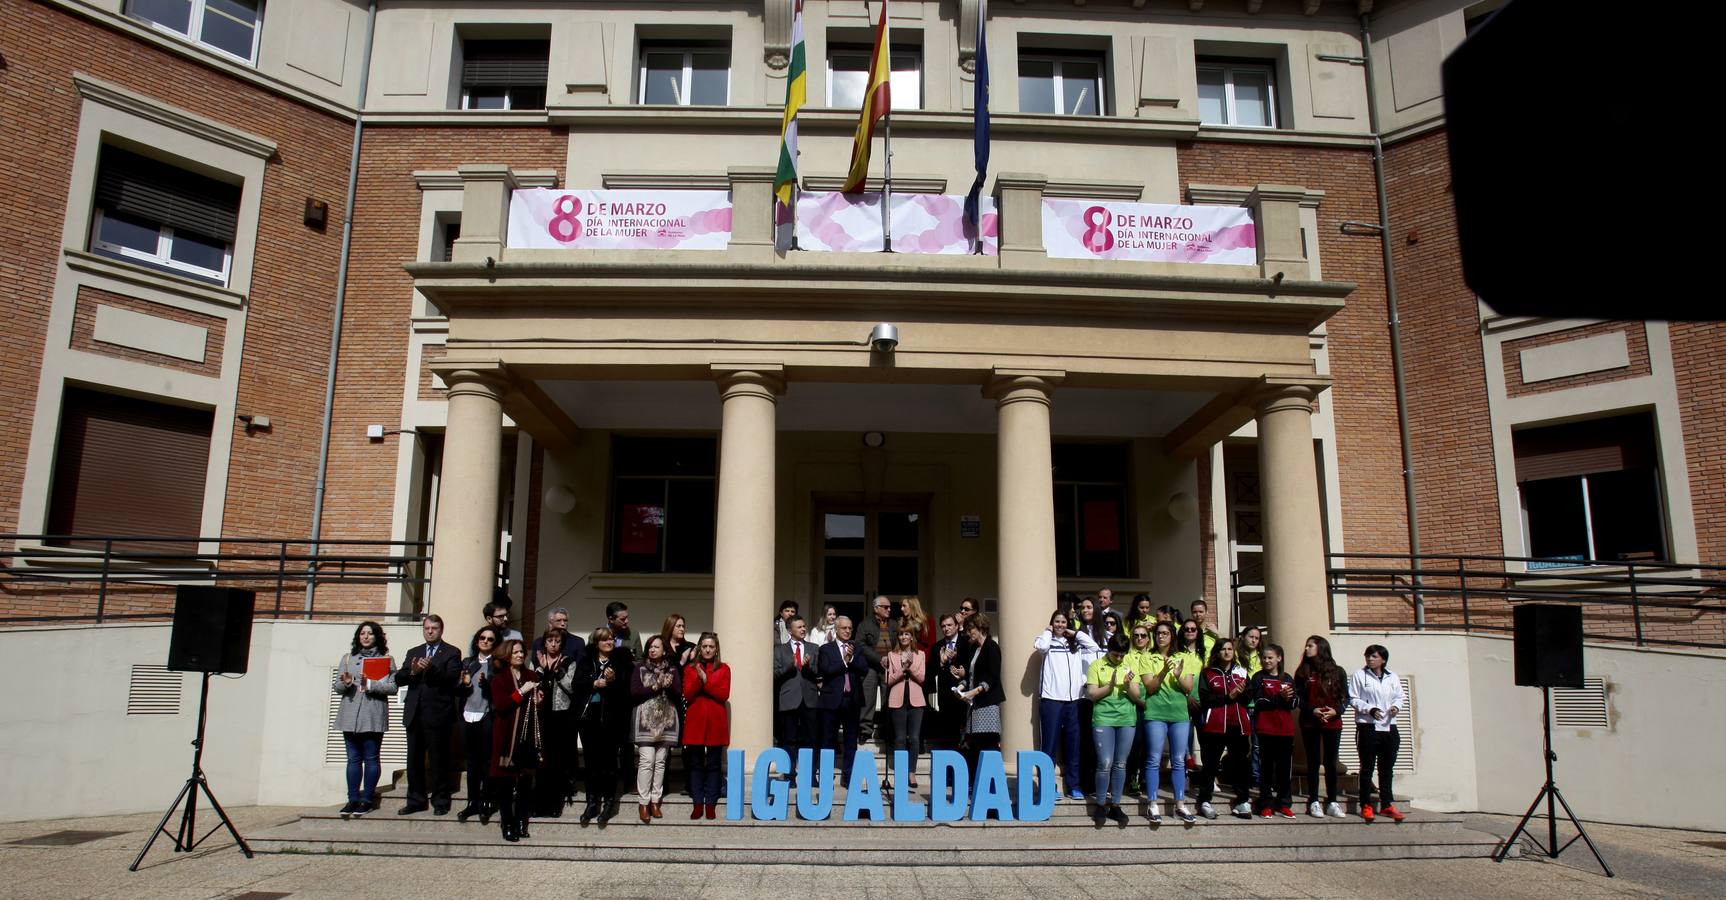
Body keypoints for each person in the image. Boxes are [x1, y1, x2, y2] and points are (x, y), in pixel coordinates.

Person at [395, 614, 462, 816]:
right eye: (427, 628)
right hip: (415, 712)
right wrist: (413, 671)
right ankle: (416, 800)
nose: (430, 631)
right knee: (414, 759)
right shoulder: (413, 652)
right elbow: (399, 678)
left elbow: (451, 679)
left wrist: (431, 668)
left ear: (441, 630)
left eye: (434, 628)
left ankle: (440, 800)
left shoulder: (451, 652)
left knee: (438, 759)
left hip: (438, 713)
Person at [333, 621, 397, 816]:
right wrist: (345, 684)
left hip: (373, 713)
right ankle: (352, 799)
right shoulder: (347, 658)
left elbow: (393, 688)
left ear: (377, 636)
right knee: (353, 759)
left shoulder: (387, 659)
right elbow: (337, 687)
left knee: (371, 757)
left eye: (370, 633)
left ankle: (367, 799)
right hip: (350, 714)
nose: (366, 636)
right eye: (362, 633)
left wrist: (369, 684)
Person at [1035, 610, 1099, 801]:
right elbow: (1040, 646)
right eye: (1057, 621)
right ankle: (1048, 786)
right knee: (1050, 745)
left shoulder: (1076, 644)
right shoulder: (1047, 641)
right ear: (1052, 623)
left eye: (1064, 622)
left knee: (1074, 745)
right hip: (1051, 699)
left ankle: (1074, 786)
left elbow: (1094, 646)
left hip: (1074, 700)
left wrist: (1076, 633)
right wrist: (1047, 631)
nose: (1060, 625)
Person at [572, 626, 632, 825]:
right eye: (605, 640)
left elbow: (627, 689)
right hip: (589, 718)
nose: (609, 643)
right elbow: (576, 684)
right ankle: (591, 803)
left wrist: (613, 682)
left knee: (608, 764)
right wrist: (593, 683)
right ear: (596, 643)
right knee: (591, 764)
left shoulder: (621, 661)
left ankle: (608, 803)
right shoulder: (586, 661)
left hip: (612, 719)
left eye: (611, 639)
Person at [1138, 620, 1196, 824]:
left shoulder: (1183, 657)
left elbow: (1188, 687)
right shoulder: (1147, 657)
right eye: (1159, 633)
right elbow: (1150, 688)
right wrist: (1163, 672)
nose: (1161, 636)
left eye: (1165, 633)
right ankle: (1152, 804)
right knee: (1153, 759)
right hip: (1155, 713)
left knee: (1179, 760)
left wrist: (1178, 675)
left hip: (1179, 714)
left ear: (1172, 635)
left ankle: (1180, 804)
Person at [488, 638, 544, 842]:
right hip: (507, 736)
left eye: (522, 652)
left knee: (525, 783)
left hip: (527, 736)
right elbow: (501, 705)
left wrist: (538, 700)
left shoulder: (532, 675)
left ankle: (522, 821)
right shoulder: (500, 678)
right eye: (516, 653)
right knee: (505, 783)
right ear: (506, 656)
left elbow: (538, 703)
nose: (520, 655)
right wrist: (521, 692)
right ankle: (507, 822)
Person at [1196, 638, 1254, 819]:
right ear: (1217, 652)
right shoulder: (1208, 673)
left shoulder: (1242, 672)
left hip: (1238, 725)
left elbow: (1248, 698)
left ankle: (1243, 800)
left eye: (1230, 649)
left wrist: (1241, 693)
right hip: (1215, 724)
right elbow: (1206, 699)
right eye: (1223, 649)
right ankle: (1204, 800)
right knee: (1211, 764)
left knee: (1240, 764)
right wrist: (1229, 696)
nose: (1227, 652)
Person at [1349, 643, 1407, 823]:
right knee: (1367, 767)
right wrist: (1369, 709)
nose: (1370, 659)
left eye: (1374, 656)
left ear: (1383, 659)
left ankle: (1387, 804)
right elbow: (1353, 698)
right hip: (1368, 727)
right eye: (1368, 656)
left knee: (1386, 768)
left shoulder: (1392, 677)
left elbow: (1400, 696)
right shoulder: (1360, 675)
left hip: (1389, 726)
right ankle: (1366, 804)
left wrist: (1396, 707)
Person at [1086, 633, 1139, 825]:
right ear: (1109, 650)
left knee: (1120, 763)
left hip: (1126, 719)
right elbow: (1092, 694)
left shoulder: (1130, 664)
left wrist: (1126, 685)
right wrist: (1109, 687)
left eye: (1122, 655)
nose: (1118, 658)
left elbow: (1136, 695)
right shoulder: (1096, 665)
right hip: (1103, 719)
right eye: (1115, 654)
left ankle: (1116, 805)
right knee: (1105, 762)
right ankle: (1100, 804)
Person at [1295, 635, 1348, 819]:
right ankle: (1314, 800)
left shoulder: (1337, 671)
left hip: (1332, 723)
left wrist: (1337, 711)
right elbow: (1298, 699)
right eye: (1306, 645)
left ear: (1321, 648)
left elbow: (1345, 697)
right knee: (1313, 762)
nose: (1307, 649)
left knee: (1331, 762)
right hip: (1310, 722)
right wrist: (1312, 710)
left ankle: (1333, 801)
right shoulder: (1303, 672)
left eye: (1311, 645)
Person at [631, 635, 682, 822]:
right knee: (647, 760)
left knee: (661, 761)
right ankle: (643, 803)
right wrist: (655, 686)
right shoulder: (640, 668)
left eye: (657, 647)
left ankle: (655, 801)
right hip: (645, 722)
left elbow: (678, 693)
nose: (653, 650)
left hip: (666, 721)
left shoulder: (672, 669)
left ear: (664, 650)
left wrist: (668, 687)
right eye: (650, 647)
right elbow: (634, 692)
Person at [817, 616, 872, 783]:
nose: (848, 631)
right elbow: (825, 670)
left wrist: (853, 658)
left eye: (850, 628)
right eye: (844, 628)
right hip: (831, 700)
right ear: (836, 630)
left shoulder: (857, 648)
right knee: (827, 740)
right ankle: (826, 776)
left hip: (852, 700)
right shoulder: (826, 649)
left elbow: (864, 669)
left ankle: (848, 776)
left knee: (850, 741)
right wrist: (844, 661)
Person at [682, 632, 730, 820]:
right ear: (699, 649)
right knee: (694, 764)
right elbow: (688, 695)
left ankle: (710, 803)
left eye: (711, 646)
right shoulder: (690, 669)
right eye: (704, 646)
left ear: (716, 648)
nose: (708, 650)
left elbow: (722, 694)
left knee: (713, 764)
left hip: (715, 723)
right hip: (696, 722)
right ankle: (697, 803)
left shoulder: (724, 669)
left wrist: (705, 681)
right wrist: (698, 679)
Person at [456, 625, 501, 824]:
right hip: (467, 716)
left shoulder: (499, 665)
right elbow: (457, 690)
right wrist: (464, 684)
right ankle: (472, 802)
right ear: (477, 641)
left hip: (487, 716)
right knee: (472, 763)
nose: (485, 641)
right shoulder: (467, 662)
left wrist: (487, 685)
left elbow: (501, 692)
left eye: (490, 639)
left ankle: (486, 803)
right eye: (482, 638)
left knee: (487, 763)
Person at [1249, 643, 1298, 819]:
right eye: (1264, 658)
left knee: (1284, 770)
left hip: (1285, 730)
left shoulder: (1287, 678)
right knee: (1266, 769)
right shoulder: (1258, 678)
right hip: (1265, 729)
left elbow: (1293, 703)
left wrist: (1287, 699)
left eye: (1270, 658)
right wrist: (1278, 697)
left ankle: (1284, 803)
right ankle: (1265, 803)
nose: (1267, 661)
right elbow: (1260, 701)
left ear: (1279, 659)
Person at [532, 628, 577, 816]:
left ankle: (555, 805)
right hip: (542, 714)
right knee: (542, 760)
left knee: (558, 761)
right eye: (550, 640)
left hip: (561, 715)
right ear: (544, 642)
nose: (553, 644)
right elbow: (532, 684)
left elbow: (570, 687)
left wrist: (557, 671)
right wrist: (542, 669)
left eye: (557, 641)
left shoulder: (568, 662)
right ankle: (539, 804)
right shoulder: (538, 662)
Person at [953, 613, 1004, 780]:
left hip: (987, 704)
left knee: (989, 745)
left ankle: (991, 786)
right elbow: (970, 675)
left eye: (971, 629)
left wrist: (974, 691)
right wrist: (961, 687)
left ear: (981, 628)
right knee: (974, 744)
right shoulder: (974, 649)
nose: (968, 633)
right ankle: (975, 784)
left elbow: (993, 676)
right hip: (974, 706)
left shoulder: (992, 647)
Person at [772, 616, 821, 782]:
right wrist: (790, 667)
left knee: (811, 739)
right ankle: (789, 774)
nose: (803, 629)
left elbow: (818, 672)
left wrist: (807, 667)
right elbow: (775, 674)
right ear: (790, 630)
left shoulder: (813, 648)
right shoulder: (779, 650)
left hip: (809, 698)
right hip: (789, 699)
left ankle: (811, 774)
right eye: (799, 627)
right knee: (789, 738)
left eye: (804, 626)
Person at [884, 624, 927, 792]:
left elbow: (922, 678)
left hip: (916, 700)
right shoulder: (891, 655)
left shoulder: (920, 654)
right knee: (900, 738)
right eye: (901, 634)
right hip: (897, 699)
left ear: (911, 637)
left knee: (914, 738)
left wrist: (910, 667)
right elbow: (889, 681)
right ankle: (901, 772)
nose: (903, 637)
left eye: (906, 634)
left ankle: (911, 772)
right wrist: (902, 669)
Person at [1122, 621, 1157, 798]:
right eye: (1136, 635)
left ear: (1149, 638)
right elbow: (1127, 684)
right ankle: (1133, 778)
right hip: (1135, 705)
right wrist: (1140, 701)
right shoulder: (1127, 657)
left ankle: (1146, 778)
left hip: (1155, 705)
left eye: (1143, 635)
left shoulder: (1154, 655)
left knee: (1151, 745)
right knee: (1135, 744)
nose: (1140, 638)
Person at [858, 595, 894, 746]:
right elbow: (860, 645)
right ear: (876, 608)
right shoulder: (865, 625)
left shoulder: (894, 625)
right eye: (885, 607)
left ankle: (887, 730)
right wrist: (879, 659)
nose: (889, 609)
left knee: (888, 699)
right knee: (868, 698)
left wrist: (892, 658)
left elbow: (900, 642)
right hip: (871, 667)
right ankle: (865, 731)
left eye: (890, 607)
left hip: (889, 667)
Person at [931, 613, 969, 752]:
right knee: (948, 736)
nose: (946, 628)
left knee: (964, 736)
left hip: (964, 695)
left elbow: (972, 667)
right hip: (945, 697)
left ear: (957, 626)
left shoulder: (967, 643)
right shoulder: (937, 647)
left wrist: (963, 674)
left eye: (949, 625)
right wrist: (942, 661)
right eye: (943, 626)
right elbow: (931, 672)